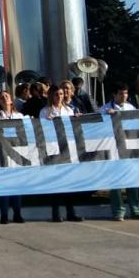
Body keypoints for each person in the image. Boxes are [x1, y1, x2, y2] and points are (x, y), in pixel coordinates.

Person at [102, 84, 139, 222]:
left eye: (126, 93)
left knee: (132, 180)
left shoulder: (130, 108)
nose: (124, 96)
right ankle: (118, 211)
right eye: (121, 93)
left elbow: (138, 123)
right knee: (116, 182)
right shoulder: (105, 109)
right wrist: (106, 116)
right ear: (114, 94)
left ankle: (136, 209)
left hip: (129, 149)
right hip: (113, 149)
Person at [40, 85, 83, 223]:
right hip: (53, 149)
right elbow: (41, 129)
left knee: (68, 182)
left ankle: (71, 212)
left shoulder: (69, 110)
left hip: (68, 148)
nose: (59, 97)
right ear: (51, 96)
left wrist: (77, 119)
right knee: (56, 182)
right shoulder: (45, 111)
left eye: (61, 94)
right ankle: (56, 212)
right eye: (56, 94)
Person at [0, 91, 24, 224]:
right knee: (4, 185)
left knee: (16, 186)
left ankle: (17, 213)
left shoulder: (19, 116)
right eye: (1, 97)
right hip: (1, 153)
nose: (4, 98)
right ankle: (4, 214)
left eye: (6, 96)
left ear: (11, 100)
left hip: (16, 153)